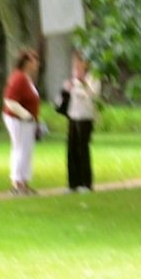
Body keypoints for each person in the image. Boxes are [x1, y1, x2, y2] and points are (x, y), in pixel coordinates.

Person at [0, 48, 44, 195]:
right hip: (18, 119)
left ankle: (23, 182)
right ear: (26, 62)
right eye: (34, 60)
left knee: (25, 150)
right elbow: (9, 100)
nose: (37, 63)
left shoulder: (25, 78)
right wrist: (26, 115)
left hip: (26, 121)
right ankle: (17, 183)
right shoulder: (18, 78)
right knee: (21, 149)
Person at [60, 50, 101, 192]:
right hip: (73, 115)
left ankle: (86, 183)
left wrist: (80, 84)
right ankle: (73, 183)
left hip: (85, 116)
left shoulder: (93, 77)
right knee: (71, 149)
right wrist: (68, 88)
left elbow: (92, 95)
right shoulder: (74, 77)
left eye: (79, 62)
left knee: (82, 149)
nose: (77, 65)